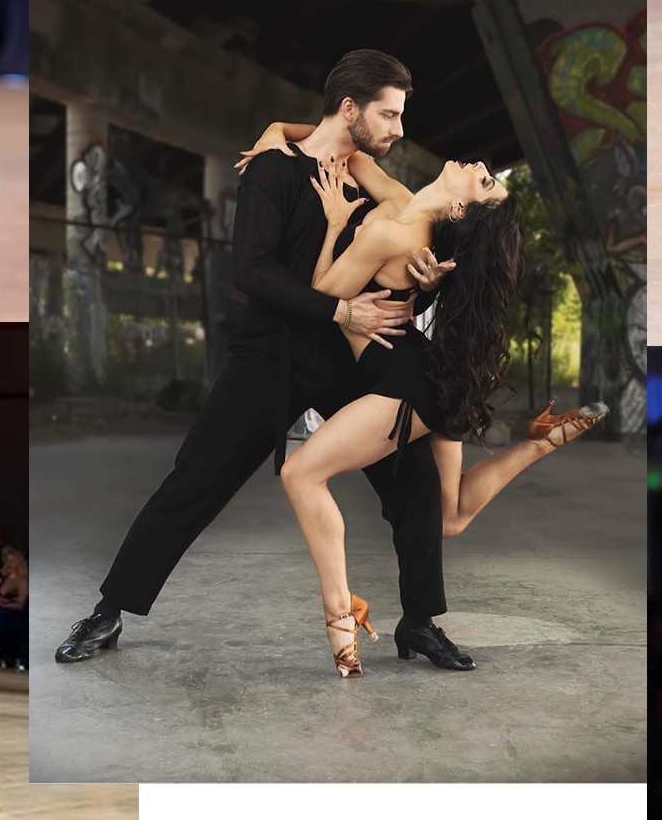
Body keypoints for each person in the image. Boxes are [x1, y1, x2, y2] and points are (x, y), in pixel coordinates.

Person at [53, 51, 471, 673]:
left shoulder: (368, 178)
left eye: (400, 116)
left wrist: (424, 280)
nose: (398, 130)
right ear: (351, 108)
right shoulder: (269, 172)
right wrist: (337, 311)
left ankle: (420, 623)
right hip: (269, 354)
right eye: (388, 114)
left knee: (412, 483)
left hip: (351, 362)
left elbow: (403, 248)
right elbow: (252, 272)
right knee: (194, 481)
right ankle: (110, 609)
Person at [242, 127, 606, 673]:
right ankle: (541, 444)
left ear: (460, 207)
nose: (481, 162)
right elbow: (353, 146)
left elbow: (317, 299)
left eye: (484, 181)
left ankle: (341, 621)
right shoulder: (402, 206)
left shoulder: (392, 232)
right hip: (431, 374)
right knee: (449, 516)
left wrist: (337, 224)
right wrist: (278, 131)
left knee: (300, 474)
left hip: (403, 385)